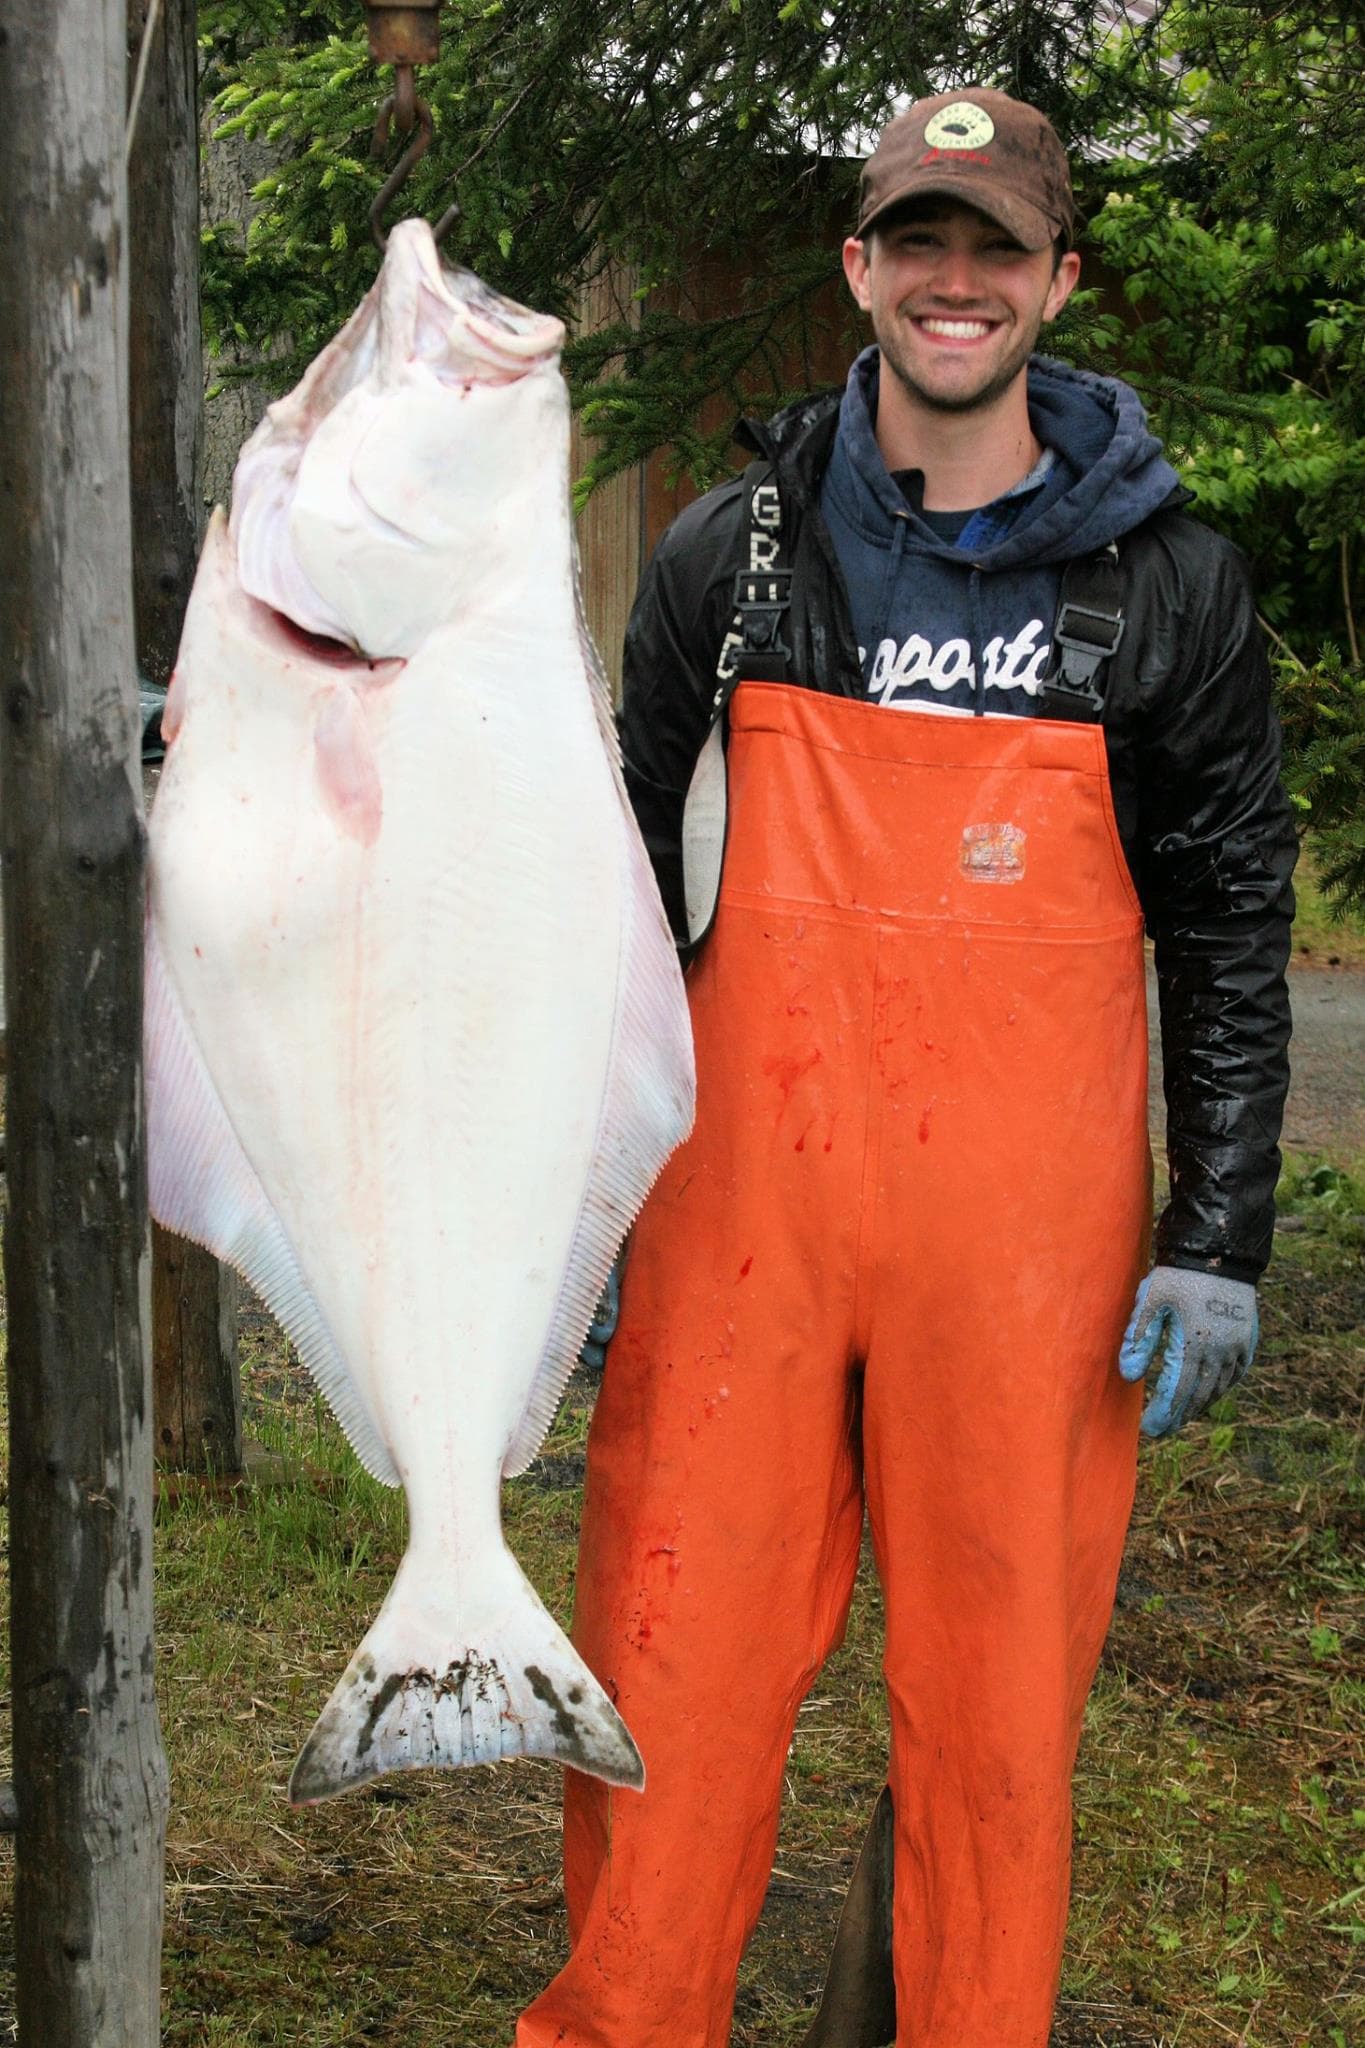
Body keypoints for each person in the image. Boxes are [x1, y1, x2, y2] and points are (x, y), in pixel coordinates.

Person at [516, 86, 1295, 2048]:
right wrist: (584, 1205)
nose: (955, 282)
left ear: (1055, 280)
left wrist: (1215, 1227)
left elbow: (1220, 925)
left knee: (995, 1724)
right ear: (856, 268)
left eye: (996, 248)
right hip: (732, 1241)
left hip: (1019, 1269)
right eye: (916, 241)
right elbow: (611, 905)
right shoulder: (728, 563)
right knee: (662, 1682)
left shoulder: (1163, 586)